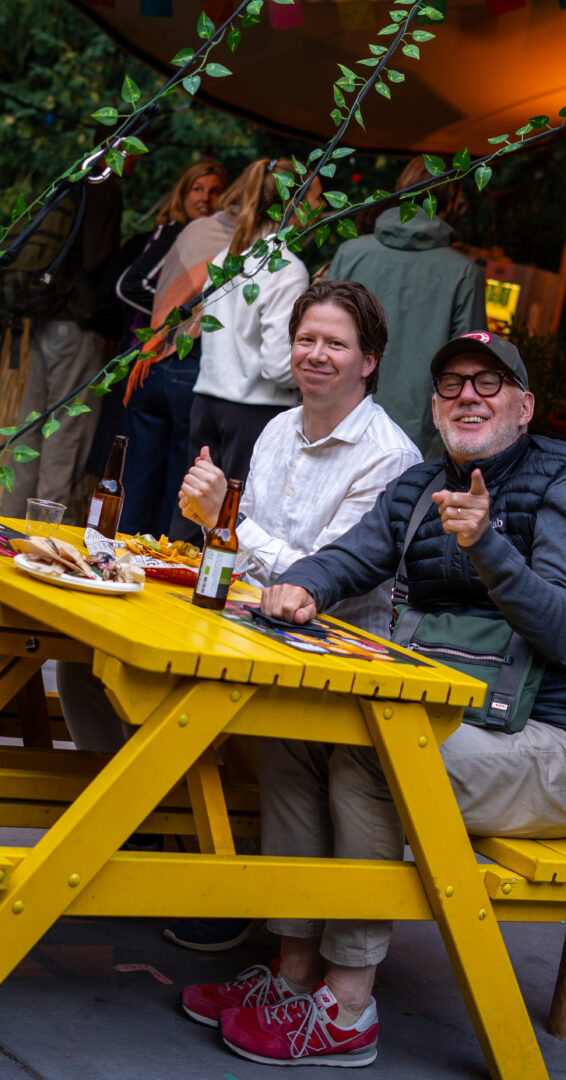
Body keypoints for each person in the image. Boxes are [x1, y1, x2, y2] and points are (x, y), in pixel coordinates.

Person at [184, 329, 566, 1067]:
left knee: (372, 759)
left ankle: (349, 1005)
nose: (468, 396)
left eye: (489, 384)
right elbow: (349, 556)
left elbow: (560, 626)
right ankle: (295, 977)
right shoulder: (422, 485)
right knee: (293, 734)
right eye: (452, 383)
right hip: (460, 726)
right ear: (434, 403)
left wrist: (487, 545)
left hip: (559, 747)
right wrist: (303, 588)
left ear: (524, 406)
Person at [55, 279, 421, 946]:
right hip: (243, 630)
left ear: (368, 361)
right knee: (83, 667)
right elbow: (242, 553)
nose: (315, 353)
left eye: (335, 343)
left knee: (171, 702)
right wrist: (211, 521)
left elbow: (320, 581)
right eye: (305, 339)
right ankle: (148, 838)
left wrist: (223, 518)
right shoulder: (280, 428)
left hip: (320, 659)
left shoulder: (390, 456)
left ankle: (210, 884)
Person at [169, 158, 324, 544]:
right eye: (318, 198)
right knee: (231, 527)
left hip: (206, 401)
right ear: (295, 204)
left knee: (192, 514)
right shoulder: (287, 268)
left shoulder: (227, 259)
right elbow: (276, 366)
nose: (323, 208)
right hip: (255, 414)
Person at [100, 161, 229, 536]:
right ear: (181, 192)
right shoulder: (179, 232)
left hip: (159, 357)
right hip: (162, 352)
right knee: (167, 485)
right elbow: (130, 284)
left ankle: (118, 556)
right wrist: (168, 320)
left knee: (143, 481)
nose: (206, 198)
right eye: (197, 189)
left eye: (215, 190)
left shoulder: (205, 233)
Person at [327, 156, 487, 455]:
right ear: (452, 200)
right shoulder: (465, 273)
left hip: (338, 417)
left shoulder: (350, 253)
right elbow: (469, 365)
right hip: (416, 437)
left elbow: (319, 336)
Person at [2, 167, 123, 523]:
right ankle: (44, 535)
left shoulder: (69, 181)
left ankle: (6, 526)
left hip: (41, 320)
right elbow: (97, 259)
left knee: (29, 427)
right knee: (63, 435)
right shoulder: (105, 188)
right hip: (74, 323)